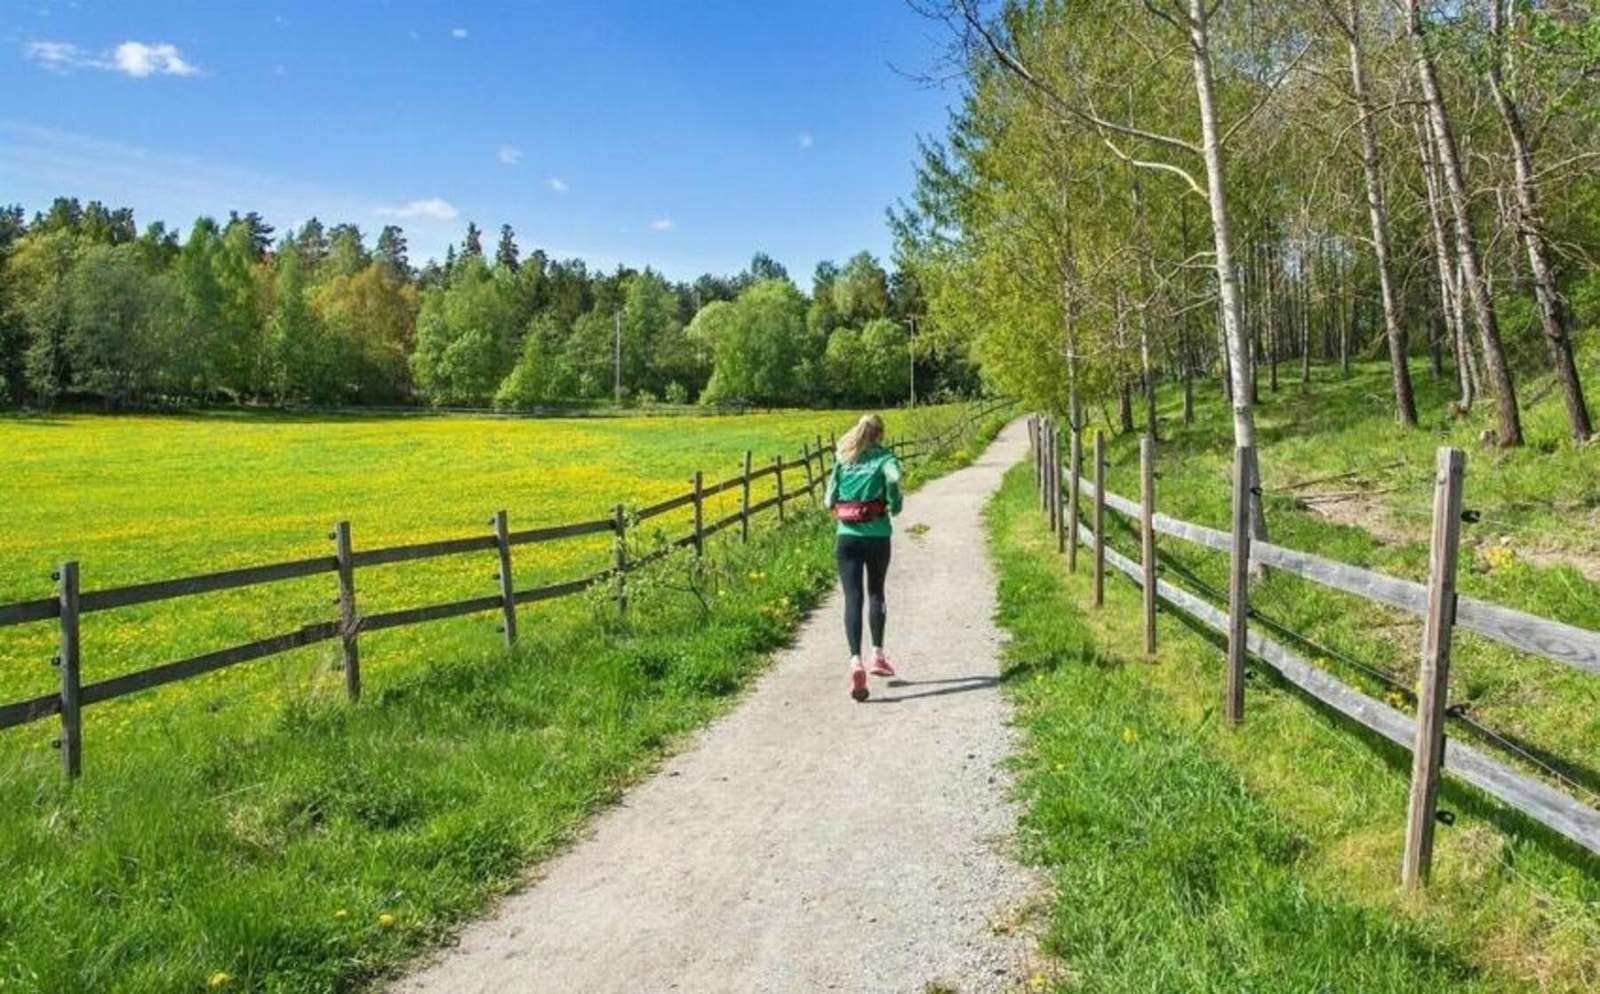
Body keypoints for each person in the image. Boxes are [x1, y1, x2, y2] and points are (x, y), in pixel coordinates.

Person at [823, 413, 904, 701]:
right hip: (877, 535)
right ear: (880, 434)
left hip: (846, 537)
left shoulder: (844, 459)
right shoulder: (884, 458)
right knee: (876, 593)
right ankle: (877, 656)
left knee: (852, 598)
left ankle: (855, 659)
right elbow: (894, 479)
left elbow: (828, 500)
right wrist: (894, 500)